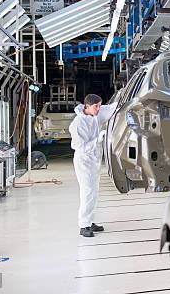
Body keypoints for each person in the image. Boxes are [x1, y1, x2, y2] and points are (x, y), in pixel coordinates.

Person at [69, 94, 117, 237]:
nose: (99, 109)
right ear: (87, 106)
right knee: (87, 192)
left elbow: (112, 108)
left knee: (93, 193)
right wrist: (98, 139)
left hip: (94, 161)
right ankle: (83, 226)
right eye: (96, 106)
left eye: (100, 105)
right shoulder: (77, 124)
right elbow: (80, 147)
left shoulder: (95, 115)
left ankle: (90, 222)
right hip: (83, 161)